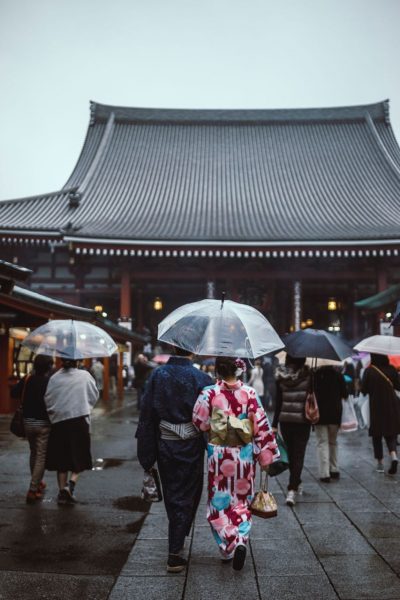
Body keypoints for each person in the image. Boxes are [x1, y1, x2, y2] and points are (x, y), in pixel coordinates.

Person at [192, 357, 279, 571]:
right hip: (244, 457)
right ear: (239, 370)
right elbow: (260, 425)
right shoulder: (249, 394)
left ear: (218, 371)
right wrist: (265, 453)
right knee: (241, 502)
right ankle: (240, 539)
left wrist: (218, 421)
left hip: (219, 457)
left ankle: (228, 543)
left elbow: (199, 423)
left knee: (218, 504)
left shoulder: (209, 393)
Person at [136, 347, 211, 573]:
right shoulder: (202, 378)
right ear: (193, 351)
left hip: (166, 444)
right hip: (192, 444)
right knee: (189, 492)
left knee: (172, 494)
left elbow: (147, 413)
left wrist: (146, 454)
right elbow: (211, 417)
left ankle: (177, 538)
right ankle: (175, 550)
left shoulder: (158, 375)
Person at [44, 353, 99, 504]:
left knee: (62, 459)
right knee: (79, 455)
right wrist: (84, 405)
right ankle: (71, 485)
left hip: (59, 422)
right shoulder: (85, 376)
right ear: (77, 362)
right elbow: (94, 395)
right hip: (79, 420)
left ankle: (62, 491)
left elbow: (48, 398)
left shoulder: (55, 378)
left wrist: (55, 413)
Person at [11, 354, 54, 504]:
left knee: (33, 452)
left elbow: (13, 393)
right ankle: (33, 489)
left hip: (27, 423)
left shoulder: (27, 379)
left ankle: (37, 482)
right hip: (43, 424)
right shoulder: (50, 382)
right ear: (48, 367)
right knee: (41, 455)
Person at [273, 354, 311, 507]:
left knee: (290, 453)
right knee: (298, 454)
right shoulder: (308, 376)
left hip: (285, 421)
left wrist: (274, 424)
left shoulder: (281, 376)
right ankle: (292, 488)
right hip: (302, 421)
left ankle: (297, 480)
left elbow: (278, 402)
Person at [361, 353, 400, 474]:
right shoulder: (392, 369)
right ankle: (393, 456)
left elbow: (364, 390)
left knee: (377, 434)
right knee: (391, 432)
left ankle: (380, 463)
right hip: (392, 404)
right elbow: (398, 386)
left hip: (376, 405)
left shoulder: (369, 371)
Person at [314, 365, 348, 482]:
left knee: (322, 442)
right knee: (333, 442)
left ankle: (325, 473)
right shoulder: (338, 376)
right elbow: (345, 394)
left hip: (320, 415)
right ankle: (334, 469)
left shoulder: (316, 376)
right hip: (335, 415)